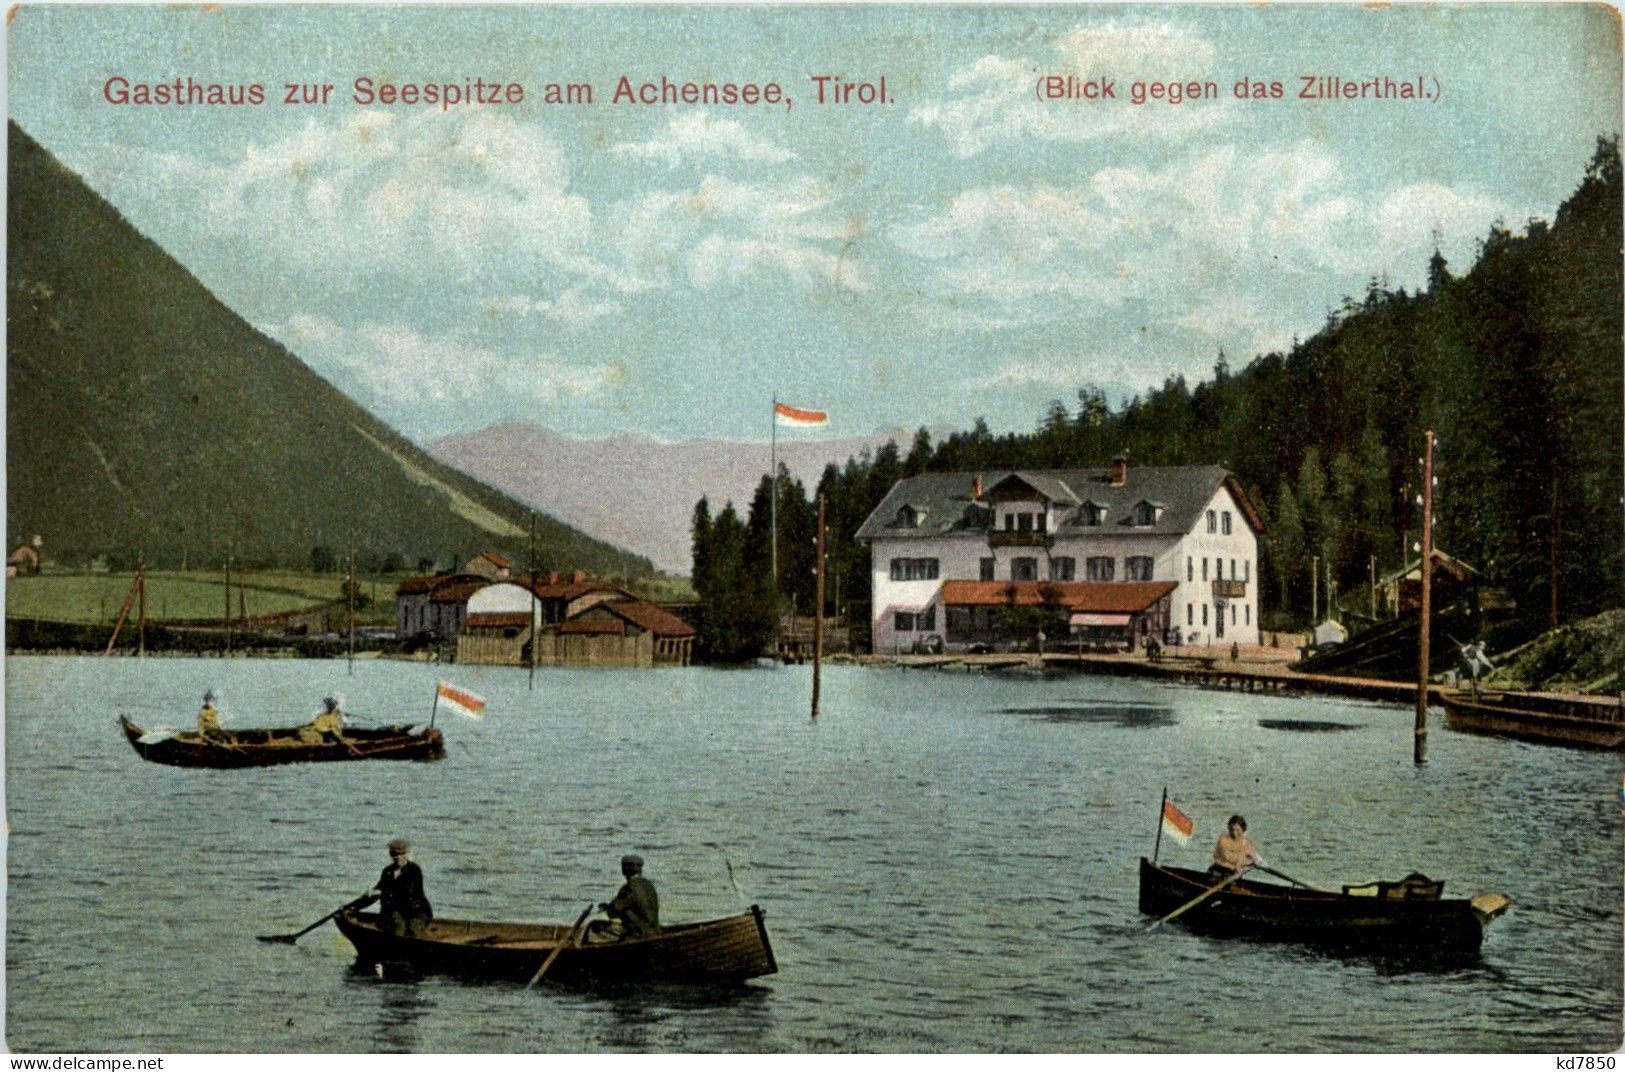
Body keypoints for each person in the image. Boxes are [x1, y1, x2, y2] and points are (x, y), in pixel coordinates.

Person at [369, 838, 432, 937]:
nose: (398, 857)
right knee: (398, 928)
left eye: (401, 854)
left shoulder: (414, 870)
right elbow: (375, 892)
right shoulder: (387, 872)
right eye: (394, 854)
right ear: (391, 855)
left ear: (406, 854)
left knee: (414, 929)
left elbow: (408, 894)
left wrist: (384, 893)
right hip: (396, 910)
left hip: (417, 910)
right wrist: (351, 906)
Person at [595, 854, 660, 941]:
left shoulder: (628, 888)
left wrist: (608, 908)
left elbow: (612, 913)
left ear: (624, 870)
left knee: (595, 926)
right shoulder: (649, 885)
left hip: (638, 933)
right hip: (654, 929)